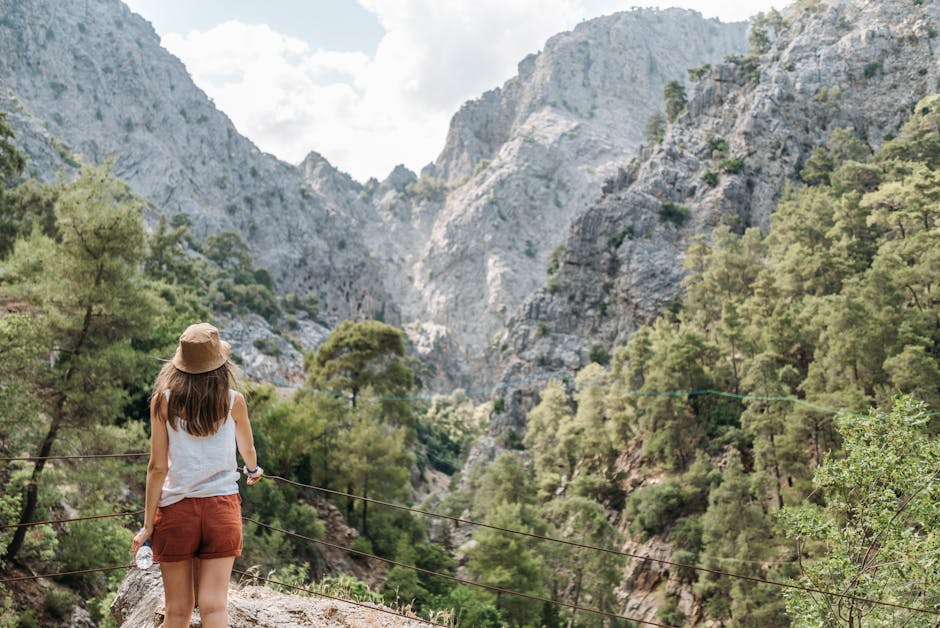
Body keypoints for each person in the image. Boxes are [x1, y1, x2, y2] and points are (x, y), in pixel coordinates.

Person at [131, 323, 263, 628]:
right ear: (220, 365)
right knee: (214, 608)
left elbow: (157, 467)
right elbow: (248, 448)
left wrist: (148, 526)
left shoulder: (162, 402)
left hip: (177, 512)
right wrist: (254, 471)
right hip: (221, 510)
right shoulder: (234, 401)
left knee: (177, 610)